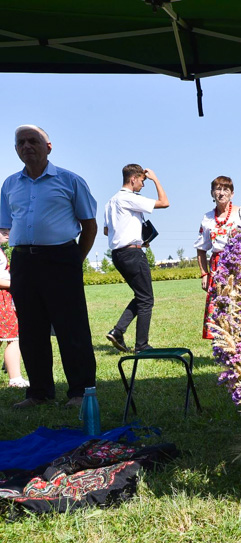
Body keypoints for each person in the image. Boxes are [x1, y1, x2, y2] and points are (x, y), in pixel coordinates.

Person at [0, 125, 97, 409]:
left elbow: (89, 225)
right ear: (16, 149)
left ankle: (81, 392)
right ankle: (38, 393)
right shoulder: (9, 185)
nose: (27, 146)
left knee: (72, 328)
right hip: (23, 262)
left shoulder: (69, 180)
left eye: (33, 141)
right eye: (21, 142)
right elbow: (6, 226)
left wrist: (75, 259)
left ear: (48, 146)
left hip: (61, 258)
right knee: (30, 329)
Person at [104, 164, 170, 353]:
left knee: (141, 296)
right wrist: (155, 178)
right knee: (147, 300)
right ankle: (142, 345)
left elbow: (107, 230)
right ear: (133, 179)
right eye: (142, 180)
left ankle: (118, 331)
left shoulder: (111, 201)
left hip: (118, 254)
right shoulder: (129, 198)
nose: (143, 184)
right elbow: (164, 202)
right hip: (133, 254)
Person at [195, 176, 241, 339]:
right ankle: (224, 348)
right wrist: (204, 273)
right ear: (212, 193)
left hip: (239, 266)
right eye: (218, 189)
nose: (221, 193)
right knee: (221, 308)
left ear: (232, 193)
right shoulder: (207, 218)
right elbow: (201, 248)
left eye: (226, 189)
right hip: (218, 267)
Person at [0, 229, 28, 388]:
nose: (7, 233)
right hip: (2, 299)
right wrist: (17, 284)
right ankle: (15, 378)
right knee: (14, 338)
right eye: (2, 230)